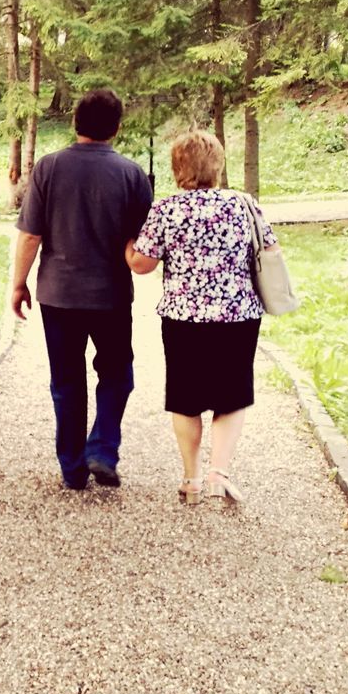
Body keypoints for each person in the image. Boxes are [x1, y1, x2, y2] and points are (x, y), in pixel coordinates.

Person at [124, 130, 279, 505]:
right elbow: (271, 249)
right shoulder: (244, 205)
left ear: (178, 168)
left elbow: (141, 265)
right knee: (231, 396)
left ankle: (191, 478)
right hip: (237, 316)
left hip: (183, 319)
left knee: (185, 397)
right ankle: (217, 475)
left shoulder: (166, 210)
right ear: (217, 165)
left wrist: (127, 243)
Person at [11, 89, 153, 491]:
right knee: (117, 374)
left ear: (75, 122)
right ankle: (103, 450)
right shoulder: (132, 174)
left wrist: (19, 283)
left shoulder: (48, 168)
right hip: (110, 297)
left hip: (58, 296)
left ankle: (72, 468)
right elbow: (143, 243)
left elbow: (30, 235)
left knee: (66, 381)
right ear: (117, 127)